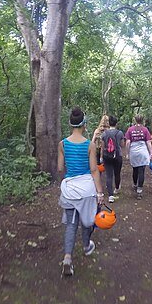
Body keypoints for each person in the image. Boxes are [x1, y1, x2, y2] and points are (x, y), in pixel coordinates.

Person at [58, 107, 105, 277]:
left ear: (70, 124)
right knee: (87, 221)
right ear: (84, 124)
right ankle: (86, 246)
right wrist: (100, 192)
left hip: (70, 189)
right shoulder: (90, 145)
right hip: (86, 190)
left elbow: (60, 168)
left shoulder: (62, 144)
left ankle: (67, 259)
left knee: (71, 224)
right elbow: (94, 170)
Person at [125, 115, 152, 199]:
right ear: (142, 120)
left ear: (135, 120)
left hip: (134, 151)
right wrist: (150, 153)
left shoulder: (130, 129)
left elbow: (127, 142)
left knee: (135, 169)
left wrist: (127, 153)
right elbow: (148, 142)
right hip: (142, 150)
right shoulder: (145, 129)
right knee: (141, 170)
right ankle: (139, 190)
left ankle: (135, 184)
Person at [100, 115, 125, 203]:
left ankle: (110, 196)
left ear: (108, 123)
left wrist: (101, 157)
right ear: (116, 123)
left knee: (109, 175)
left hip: (107, 156)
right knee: (117, 173)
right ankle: (116, 189)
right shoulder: (120, 133)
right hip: (118, 156)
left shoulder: (104, 133)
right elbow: (122, 145)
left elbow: (102, 147)